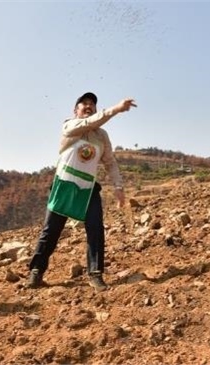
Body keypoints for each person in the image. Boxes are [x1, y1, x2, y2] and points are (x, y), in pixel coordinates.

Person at [27, 92, 136, 292]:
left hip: (88, 188)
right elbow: (90, 122)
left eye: (92, 104)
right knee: (50, 231)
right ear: (75, 110)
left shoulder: (102, 136)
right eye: (83, 104)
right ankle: (36, 271)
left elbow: (110, 163)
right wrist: (116, 109)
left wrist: (118, 187)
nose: (88, 106)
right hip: (65, 184)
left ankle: (95, 274)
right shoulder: (70, 126)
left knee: (95, 229)